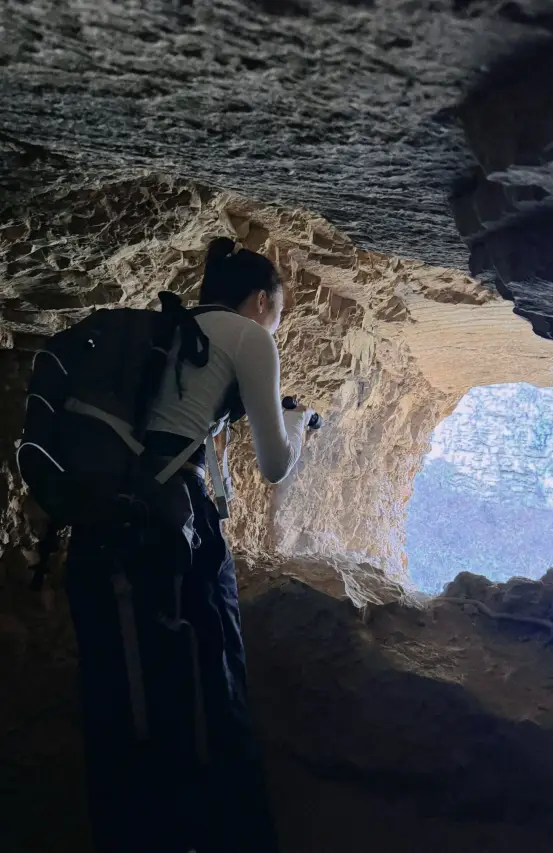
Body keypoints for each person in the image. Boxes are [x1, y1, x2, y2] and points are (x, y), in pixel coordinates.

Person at [65, 237, 313, 853]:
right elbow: (275, 465)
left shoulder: (172, 333)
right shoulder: (250, 336)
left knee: (133, 681)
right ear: (261, 301)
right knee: (213, 671)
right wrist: (300, 426)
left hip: (114, 513)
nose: (275, 322)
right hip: (178, 520)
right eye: (278, 311)